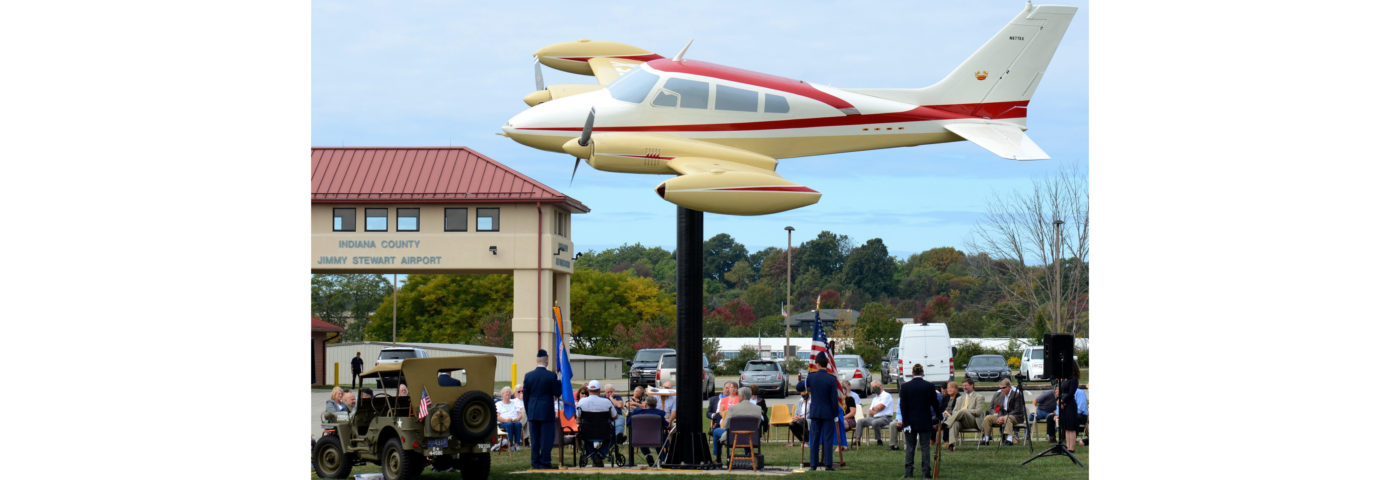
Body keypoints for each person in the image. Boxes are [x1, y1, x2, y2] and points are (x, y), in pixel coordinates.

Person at [898, 364, 941, 479]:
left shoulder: (905, 387)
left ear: (912, 373)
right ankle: (926, 472)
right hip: (925, 421)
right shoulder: (929, 386)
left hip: (910, 422)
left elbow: (903, 407)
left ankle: (908, 472)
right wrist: (940, 416)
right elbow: (935, 404)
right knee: (925, 447)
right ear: (922, 373)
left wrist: (905, 422)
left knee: (910, 447)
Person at [523, 349, 561, 470]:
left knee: (534, 439)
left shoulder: (528, 376)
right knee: (546, 439)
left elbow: (525, 397)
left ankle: (535, 462)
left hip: (533, 411)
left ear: (536, 361)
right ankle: (545, 462)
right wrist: (559, 380)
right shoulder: (551, 375)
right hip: (546, 411)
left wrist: (529, 411)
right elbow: (557, 392)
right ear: (547, 361)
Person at [805, 354, 841, 471]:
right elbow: (833, 399)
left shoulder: (811, 377)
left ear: (817, 364)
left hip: (815, 412)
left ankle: (813, 465)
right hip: (828, 413)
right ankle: (828, 464)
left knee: (814, 439)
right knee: (828, 439)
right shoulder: (831, 379)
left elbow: (801, 386)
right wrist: (835, 413)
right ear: (827, 364)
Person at [576, 380, 618, 467]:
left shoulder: (582, 402)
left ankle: (594, 456)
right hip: (604, 432)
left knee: (586, 439)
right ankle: (600, 455)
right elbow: (615, 417)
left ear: (588, 390)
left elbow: (578, 417)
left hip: (587, 432)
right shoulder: (607, 402)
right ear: (599, 390)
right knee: (613, 438)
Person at [720, 387, 764, 461]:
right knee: (746, 433)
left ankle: (718, 459)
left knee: (716, 432)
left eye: (738, 395)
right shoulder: (758, 408)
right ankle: (749, 455)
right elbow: (757, 425)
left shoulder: (733, 408)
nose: (737, 397)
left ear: (742, 397)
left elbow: (726, 425)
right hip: (752, 438)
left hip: (734, 437)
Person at [942, 378, 985, 450]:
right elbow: (954, 411)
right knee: (954, 423)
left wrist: (966, 411)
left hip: (973, 421)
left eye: (966, 385)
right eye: (963, 386)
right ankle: (951, 445)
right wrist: (961, 412)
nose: (964, 387)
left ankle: (946, 423)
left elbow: (978, 412)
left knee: (963, 411)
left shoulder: (979, 397)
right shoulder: (960, 398)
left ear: (972, 385)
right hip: (961, 421)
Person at [981, 378, 1026, 446]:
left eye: (1003, 388)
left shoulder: (1017, 395)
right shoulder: (1002, 395)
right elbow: (1001, 409)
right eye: (1000, 388)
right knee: (988, 418)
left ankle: (1009, 439)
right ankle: (986, 439)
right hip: (1003, 416)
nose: (1002, 389)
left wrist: (1003, 417)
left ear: (1009, 387)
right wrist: (999, 417)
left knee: (1007, 418)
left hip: (1016, 417)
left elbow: (1017, 410)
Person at [627, 396, 667, 466]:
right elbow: (666, 425)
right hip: (656, 439)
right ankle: (663, 458)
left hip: (639, 439)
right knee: (663, 436)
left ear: (646, 405)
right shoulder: (660, 414)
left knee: (642, 435)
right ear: (656, 405)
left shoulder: (637, 412)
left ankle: (648, 456)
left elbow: (628, 424)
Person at [1055, 364, 1086, 452]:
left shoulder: (1074, 379)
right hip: (1063, 405)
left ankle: (1071, 448)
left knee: (1071, 427)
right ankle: (1067, 447)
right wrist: (1058, 399)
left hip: (1070, 405)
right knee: (1066, 427)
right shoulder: (1065, 379)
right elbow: (1060, 391)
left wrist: (1062, 401)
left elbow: (1070, 393)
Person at [854, 380, 894, 446]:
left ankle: (879, 440)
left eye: (875, 387)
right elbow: (870, 411)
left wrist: (875, 409)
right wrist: (876, 409)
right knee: (860, 421)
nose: (874, 389)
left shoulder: (887, 395)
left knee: (875, 422)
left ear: (881, 386)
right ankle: (857, 440)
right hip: (874, 417)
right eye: (873, 387)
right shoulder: (875, 398)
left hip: (886, 418)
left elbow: (881, 407)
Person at [708, 381, 740, 459]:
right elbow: (721, 411)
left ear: (737, 389)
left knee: (716, 432)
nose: (732, 389)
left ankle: (717, 457)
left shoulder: (739, 399)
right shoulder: (724, 400)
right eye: (731, 387)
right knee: (717, 430)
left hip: (735, 426)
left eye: (735, 387)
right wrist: (726, 415)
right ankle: (717, 456)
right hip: (726, 421)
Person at [497, 386, 524, 451]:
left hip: (514, 421)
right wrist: (505, 420)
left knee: (518, 424)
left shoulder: (514, 403)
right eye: (506, 392)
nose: (508, 394)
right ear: (502, 394)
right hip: (503, 423)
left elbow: (520, 414)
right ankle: (511, 444)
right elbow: (497, 416)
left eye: (509, 392)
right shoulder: (498, 404)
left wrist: (517, 419)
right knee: (509, 424)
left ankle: (516, 444)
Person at [788, 382, 809, 447]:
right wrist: (795, 417)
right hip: (800, 419)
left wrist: (802, 418)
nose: (802, 394)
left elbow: (812, 414)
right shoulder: (800, 401)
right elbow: (796, 412)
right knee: (792, 424)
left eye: (803, 391)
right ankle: (802, 441)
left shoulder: (812, 401)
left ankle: (807, 441)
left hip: (808, 420)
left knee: (801, 422)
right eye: (801, 392)